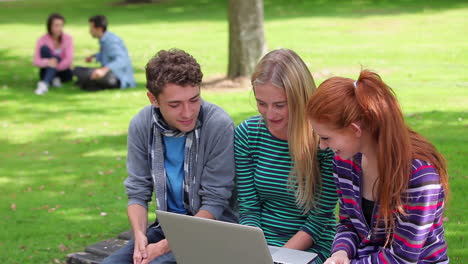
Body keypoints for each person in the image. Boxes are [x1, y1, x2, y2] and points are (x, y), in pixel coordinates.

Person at [102, 49, 238, 264]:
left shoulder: (218, 125)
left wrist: (164, 246)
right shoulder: (141, 124)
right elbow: (138, 191)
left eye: (194, 100)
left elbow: (214, 202)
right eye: (175, 105)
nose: (187, 112)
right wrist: (139, 236)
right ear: (153, 99)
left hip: (211, 231)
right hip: (165, 229)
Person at [306, 70, 449, 264]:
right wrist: (341, 253)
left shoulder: (419, 175)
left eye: (325, 137)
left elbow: (403, 258)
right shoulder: (343, 162)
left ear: (355, 130)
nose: (322, 146)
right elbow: (348, 223)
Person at [234, 49, 338, 264]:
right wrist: (257, 252)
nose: (270, 114)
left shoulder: (324, 141)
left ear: (300, 99)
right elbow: (249, 208)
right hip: (260, 244)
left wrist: (279, 258)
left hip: (311, 246)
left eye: (280, 105)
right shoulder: (247, 134)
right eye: (261, 103)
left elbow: (319, 220)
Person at [74, 15, 136, 91]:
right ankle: (89, 83)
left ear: (99, 29)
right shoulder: (105, 40)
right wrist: (94, 57)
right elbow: (107, 55)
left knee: (84, 73)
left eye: (91, 28)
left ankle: (88, 83)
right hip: (112, 75)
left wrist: (103, 70)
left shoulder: (111, 41)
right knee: (78, 70)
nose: (90, 31)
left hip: (119, 78)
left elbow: (121, 60)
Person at [33, 13, 74, 95]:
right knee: (44, 49)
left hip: (64, 72)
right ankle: (52, 80)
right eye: (56, 25)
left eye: (61, 25)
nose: (59, 28)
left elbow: (69, 60)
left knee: (56, 58)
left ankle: (45, 84)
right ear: (50, 26)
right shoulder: (42, 40)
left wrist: (55, 65)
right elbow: (36, 61)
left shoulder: (68, 39)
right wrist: (48, 62)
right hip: (47, 69)